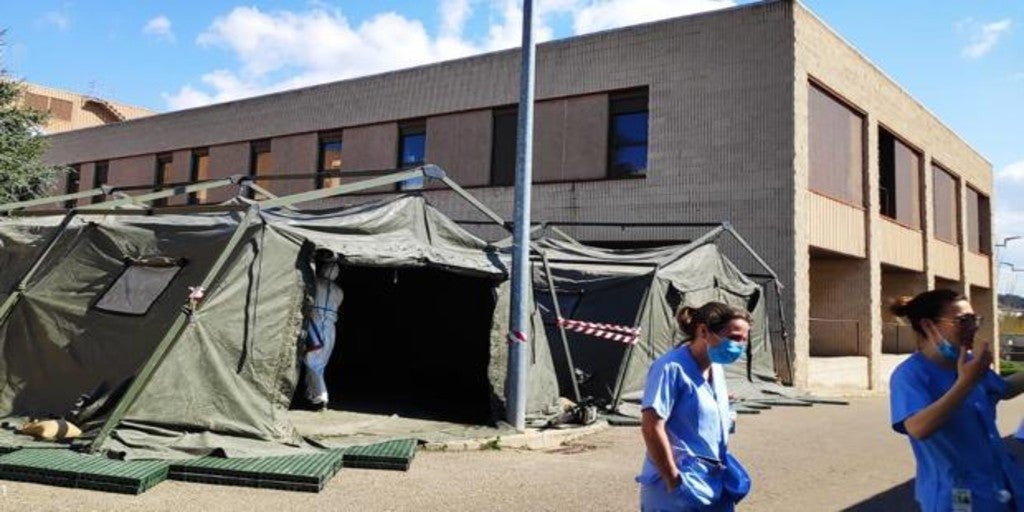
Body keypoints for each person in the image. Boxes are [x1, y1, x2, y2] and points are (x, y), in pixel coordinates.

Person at [889, 288, 1024, 511]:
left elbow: (1003, 389)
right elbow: (918, 428)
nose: (973, 328)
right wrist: (965, 383)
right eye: (963, 321)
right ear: (928, 326)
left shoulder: (969, 363)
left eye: (975, 320)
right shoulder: (910, 375)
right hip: (957, 496)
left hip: (999, 484)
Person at [637, 301, 753, 511]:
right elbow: (651, 427)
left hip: (711, 482)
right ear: (703, 331)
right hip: (676, 487)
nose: (740, 346)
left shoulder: (716, 369)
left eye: (744, 340)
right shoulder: (670, 368)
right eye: (734, 338)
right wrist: (672, 478)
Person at [304, 249, 344, 410]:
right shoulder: (339, 291)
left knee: (312, 362)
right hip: (330, 329)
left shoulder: (316, 282)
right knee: (320, 364)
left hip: (316, 326)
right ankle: (312, 394)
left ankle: (320, 396)